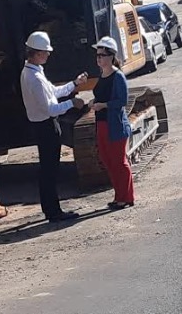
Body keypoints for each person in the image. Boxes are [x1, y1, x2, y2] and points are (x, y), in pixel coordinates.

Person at [19, 30, 89, 224]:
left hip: (43, 126)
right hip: (46, 127)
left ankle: (51, 209)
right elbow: (51, 109)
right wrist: (72, 103)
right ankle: (53, 211)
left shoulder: (33, 72)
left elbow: (53, 92)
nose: (48, 54)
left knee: (48, 170)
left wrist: (74, 84)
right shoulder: (34, 78)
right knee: (49, 171)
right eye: (45, 52)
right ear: (36, 53)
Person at [88, 36, 136, 210]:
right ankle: (119, 196)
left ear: (111, 56)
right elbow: (102, 94)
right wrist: (93, 102)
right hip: (101, 123)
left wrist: (104, 105)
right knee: (108, 162)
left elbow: (121, 101)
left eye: (102, 55)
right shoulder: (102, 75)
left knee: (119, 162)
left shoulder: (118, 76)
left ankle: (126, 197)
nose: (99, 58)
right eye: (97, 55)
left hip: (114, 125)